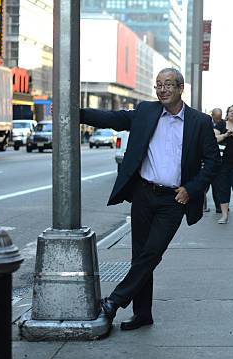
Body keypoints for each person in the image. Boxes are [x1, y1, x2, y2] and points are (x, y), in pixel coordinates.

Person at [80, 68, 221, 330]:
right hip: (144, 194)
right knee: (140, 256)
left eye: (168, 84)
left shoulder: (199, 122)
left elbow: (213, 162)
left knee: (152, 254)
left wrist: (191, 188)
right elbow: (114, 118)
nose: (163, 89)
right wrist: (77, 113)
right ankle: (143, 314)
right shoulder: (146, 111)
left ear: (180, 88)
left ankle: (113, 302)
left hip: (174, 200)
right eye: (158, 85)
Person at [208, 108, 225, 213]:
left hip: (221, 156)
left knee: (219, 183)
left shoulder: (223, 124)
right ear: (213, 115)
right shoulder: (207, 122)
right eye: (216, 117)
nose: (218, 120)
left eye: (220, 117)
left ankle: (221, 205)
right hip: (209, 156)